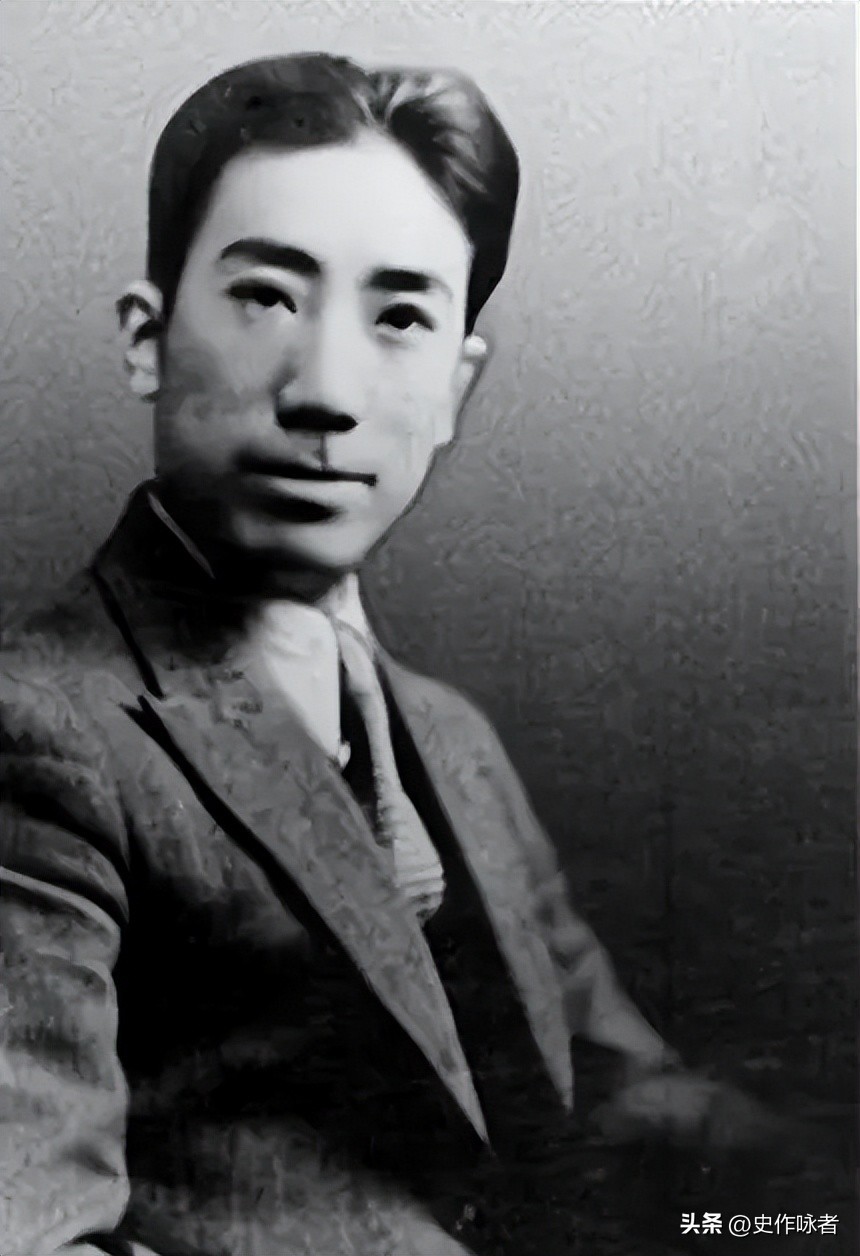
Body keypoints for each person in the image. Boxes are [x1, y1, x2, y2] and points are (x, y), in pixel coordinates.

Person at [1, 53, 762, 1256]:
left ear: (455, 384)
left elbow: (624, 1102)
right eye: (265, 297)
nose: (327, 391)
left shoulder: (450, 738)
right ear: (146, 338)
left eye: (400, 316)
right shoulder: (44, 725)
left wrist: (808, 1195)